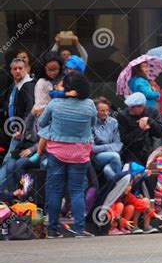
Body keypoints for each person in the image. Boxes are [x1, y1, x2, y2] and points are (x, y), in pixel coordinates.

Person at [38, 72, 97, 238]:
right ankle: (79, 229)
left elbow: (41, 122)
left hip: (56, 152)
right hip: (80, 153)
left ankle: (52, 230)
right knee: (77, 191)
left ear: (69, 89)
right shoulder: (90, 105)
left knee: (55, 191)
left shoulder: (55, 104)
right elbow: (93, 124)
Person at [116, 92, 162, 166]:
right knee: (136, 171)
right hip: (131, 152)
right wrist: (140, 129)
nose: (129, 109)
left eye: (132, 107)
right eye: (129, 106)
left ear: (141, 107)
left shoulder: (153, 112)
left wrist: (150, 121)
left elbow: (160, 133)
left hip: (150, 149)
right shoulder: (123, 116)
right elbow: (124, 139)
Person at [92, 97, 123, 181]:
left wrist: (102, 148)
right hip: (96, 158)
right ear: (95, 111)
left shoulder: (113, 122)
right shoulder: (91, 123)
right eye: (102, 111)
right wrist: (109, 147)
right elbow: (92, 148)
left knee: (107, 170)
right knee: (114, 156)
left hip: (111, 154)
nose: (106, 113)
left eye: (107, 110)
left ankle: (119, 190)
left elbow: (118, 145)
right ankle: (123, 186)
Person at [32, 53, 65, 117]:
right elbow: (39, 107)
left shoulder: (65, 80)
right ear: (44, 69)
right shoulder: (41, 82)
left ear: (60, 67)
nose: (52, 73)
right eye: (49, 70)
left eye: (55, 69)